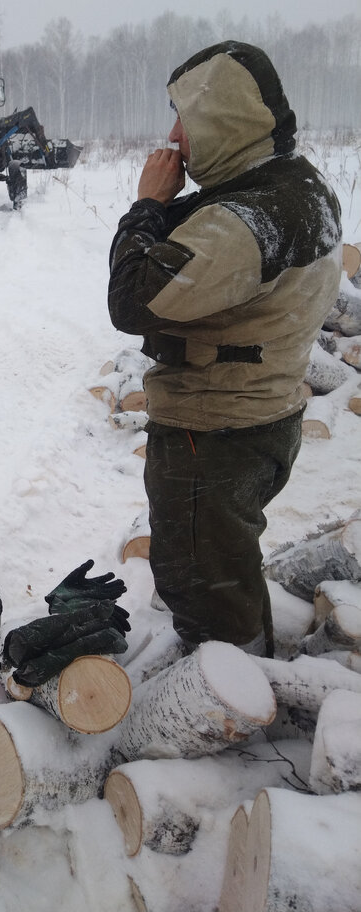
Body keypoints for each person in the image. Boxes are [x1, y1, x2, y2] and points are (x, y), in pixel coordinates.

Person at [108, 41, 342, 656]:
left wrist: (147, 205)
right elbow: (207, 221)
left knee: (209, 598)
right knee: (225, 571)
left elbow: (131, 300)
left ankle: (231, 718)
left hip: (214, 436)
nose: (175, 134)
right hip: (264, 416)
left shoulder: (243, 220)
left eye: (184, 116)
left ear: (223, 118)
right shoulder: (296, 185)